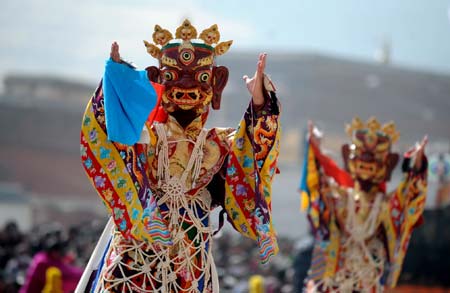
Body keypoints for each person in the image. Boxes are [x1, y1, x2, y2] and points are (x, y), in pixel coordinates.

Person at [80, 19, 281, 292]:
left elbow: (252, 158)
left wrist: (260, 104)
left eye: (199, 77)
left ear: (216, 82)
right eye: (173, 76)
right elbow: (105, 140)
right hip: (136, 257)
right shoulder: (143, 137)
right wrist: (115, 85)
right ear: (156, 80)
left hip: (189, 260)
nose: (187, 87)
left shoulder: (219, 145)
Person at [300, 117, 427, 292]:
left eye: (373, 162)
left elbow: (407, 200)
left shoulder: (385, 204)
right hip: (336, 275)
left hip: (368, 276)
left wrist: (417, 168)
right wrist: (315, 150)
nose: (366, 166)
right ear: (349, 160)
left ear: (387, 165)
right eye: (362, 162)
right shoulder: (340, 196)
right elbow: (317, 189)